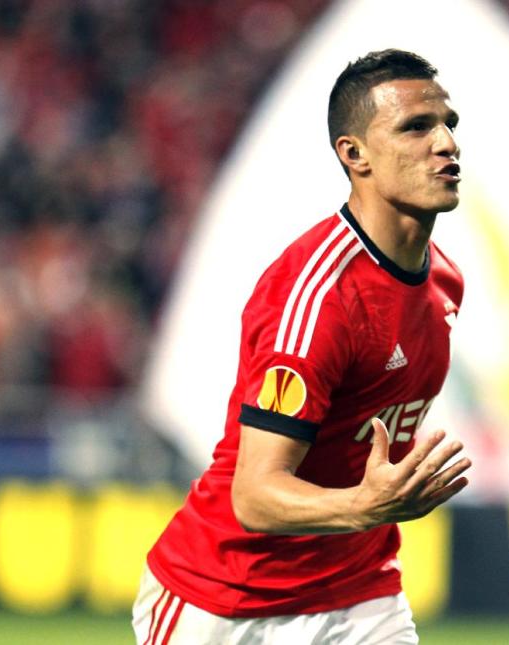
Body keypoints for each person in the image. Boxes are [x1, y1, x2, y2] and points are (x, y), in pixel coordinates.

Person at [133, 49, 470, 645]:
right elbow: (255, 496)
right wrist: (366, 505)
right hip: (229, 598)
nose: (445, 143)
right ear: (354, 154)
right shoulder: (317, 297)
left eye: (448, 124)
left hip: (360, 591)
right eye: (416, 127)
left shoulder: (444, 282)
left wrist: (368, 511)